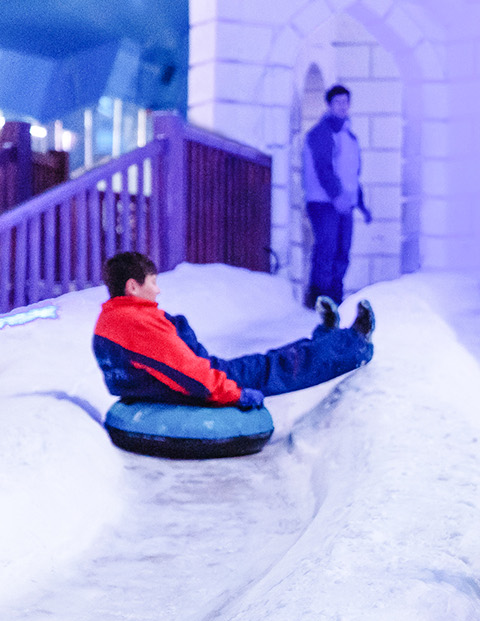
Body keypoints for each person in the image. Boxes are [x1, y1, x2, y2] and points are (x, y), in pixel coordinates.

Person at [92, 251, 374, 408]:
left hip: (166, 386)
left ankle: (327, 337)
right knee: (273, 368)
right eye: (152, 282)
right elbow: (191, 375)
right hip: (191, 387)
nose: (158, 289)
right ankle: (355, 343)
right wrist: (236, 394)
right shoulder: (136, 323)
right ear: (132, 286)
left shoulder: (112, 319)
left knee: (269, 359)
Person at [302, 84, 371, 309]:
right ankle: (320, 299)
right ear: (329, 105)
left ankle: (335, 296)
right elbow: (324, 168)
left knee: (343, 250)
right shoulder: (321, 133)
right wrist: (336, 195)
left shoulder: (349, 136)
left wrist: (360, 203)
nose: (343, 106)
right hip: (323, 202)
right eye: (338, 102)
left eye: (346, 102)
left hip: (345, 204)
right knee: (327, 248)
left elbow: (352, 173)